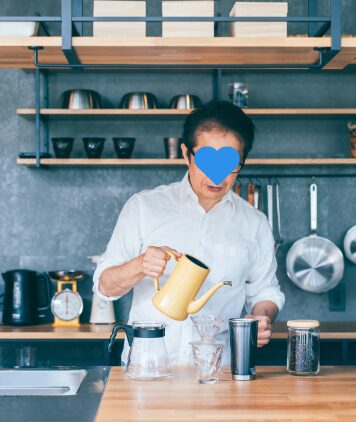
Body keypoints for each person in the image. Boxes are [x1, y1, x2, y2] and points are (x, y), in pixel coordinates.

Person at [92, 100, 285, 365]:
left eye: (230, 163)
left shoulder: (255, 223)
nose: (217, 176)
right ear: (186, 154)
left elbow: (265, 293)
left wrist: (262, 317)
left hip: (218, 371)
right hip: (147, 368)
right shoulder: (144, 207)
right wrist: (140, 265)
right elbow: (105, 286)